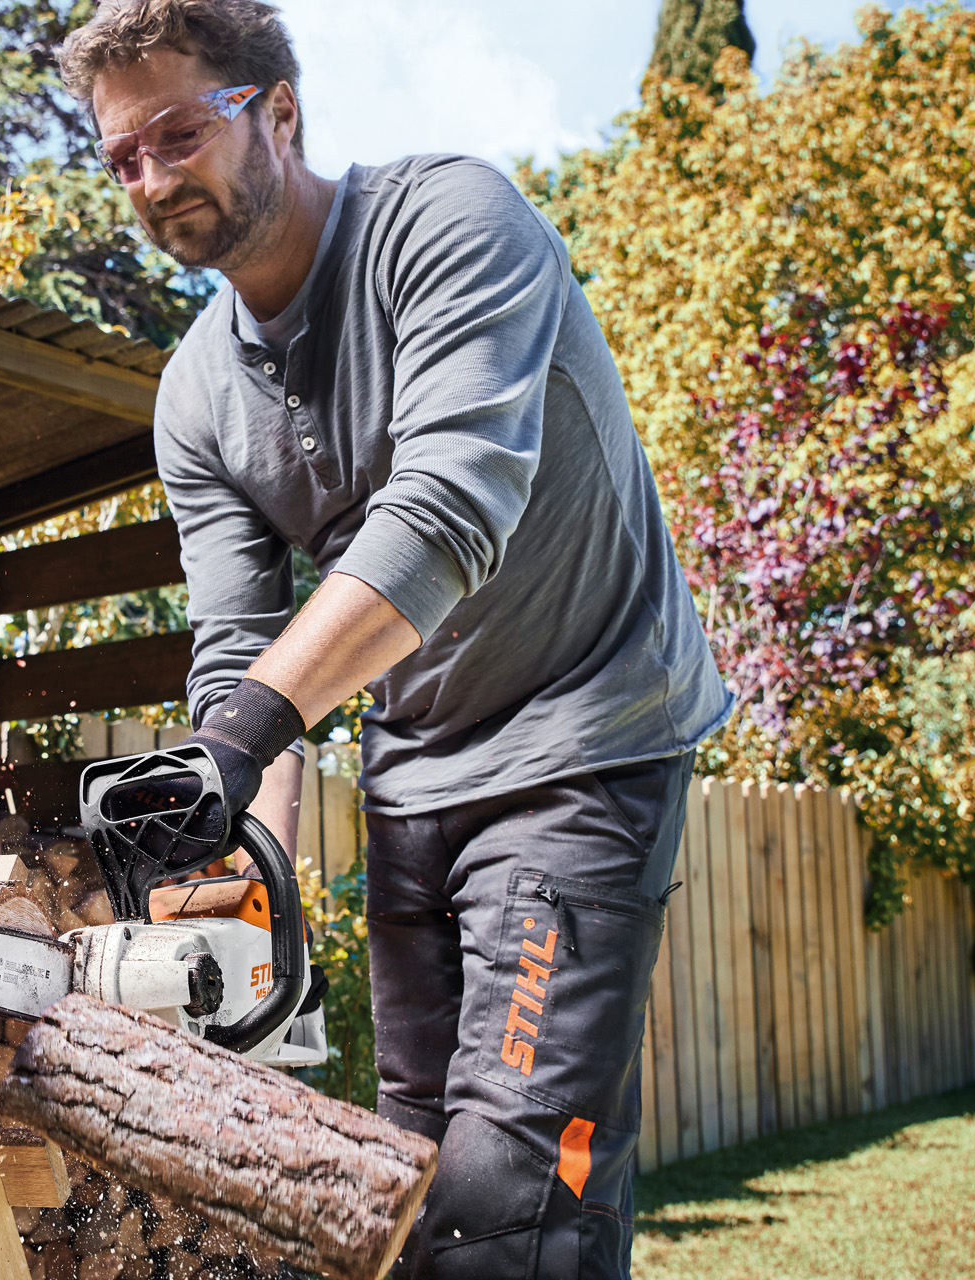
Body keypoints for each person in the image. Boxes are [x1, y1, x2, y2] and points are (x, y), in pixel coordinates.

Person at [58, 2, 732, 1276]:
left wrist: (246, 730)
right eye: (120, 157)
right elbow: (237, 643)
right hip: (417, 773)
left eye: (176, 132)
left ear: (281, 111)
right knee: (421, 1169)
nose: (150, 178)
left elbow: (447, 514)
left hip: (584, 734)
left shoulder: (449, 224)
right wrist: (235, 880)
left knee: (504, 1186)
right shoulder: (194, 394)